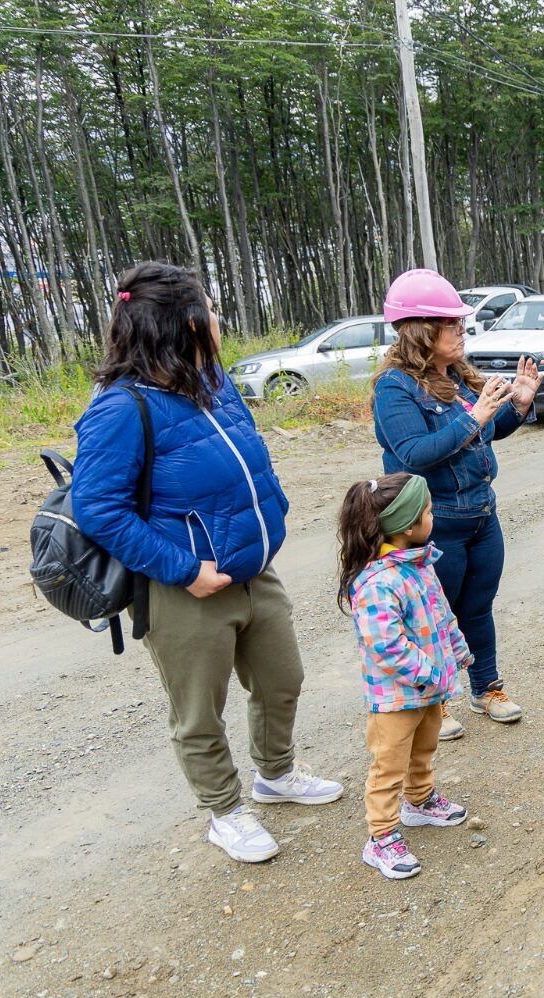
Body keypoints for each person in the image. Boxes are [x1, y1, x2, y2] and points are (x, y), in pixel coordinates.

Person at [71, 261, 342, 863]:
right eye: (211, 308)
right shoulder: (120, 409)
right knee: (199, 712)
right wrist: (184, 570)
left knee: (283, 679)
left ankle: (276, 775)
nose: (219, 318)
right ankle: (225, 811)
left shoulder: (211, 381)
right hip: (185, 589)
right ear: (187, 321)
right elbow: (97, 509)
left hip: (253, 569)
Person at [372, 269, 541, 740]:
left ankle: (485, 688)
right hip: (434, 521)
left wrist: (519, 405)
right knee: (431, 615)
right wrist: (476, 414)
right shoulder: (395, 388)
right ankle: (436, 702)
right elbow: (416, 453)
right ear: (422, 330)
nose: (463, 330)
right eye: (454, 323)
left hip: (481, 514)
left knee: (479, 606)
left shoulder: (459, 376)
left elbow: (487, 431)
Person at [338, 472, 471, 880]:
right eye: (428, 511)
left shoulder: (419, 565)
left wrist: (458, 650)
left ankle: (419, 800)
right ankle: (380, 836)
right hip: (397, 698)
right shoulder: (378, 581)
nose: (433, 516)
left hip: (428, 691)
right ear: (408, 525)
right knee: (388, 764)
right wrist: (431, 672)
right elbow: (387, 645)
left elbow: (441, 613)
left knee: (423, 748)